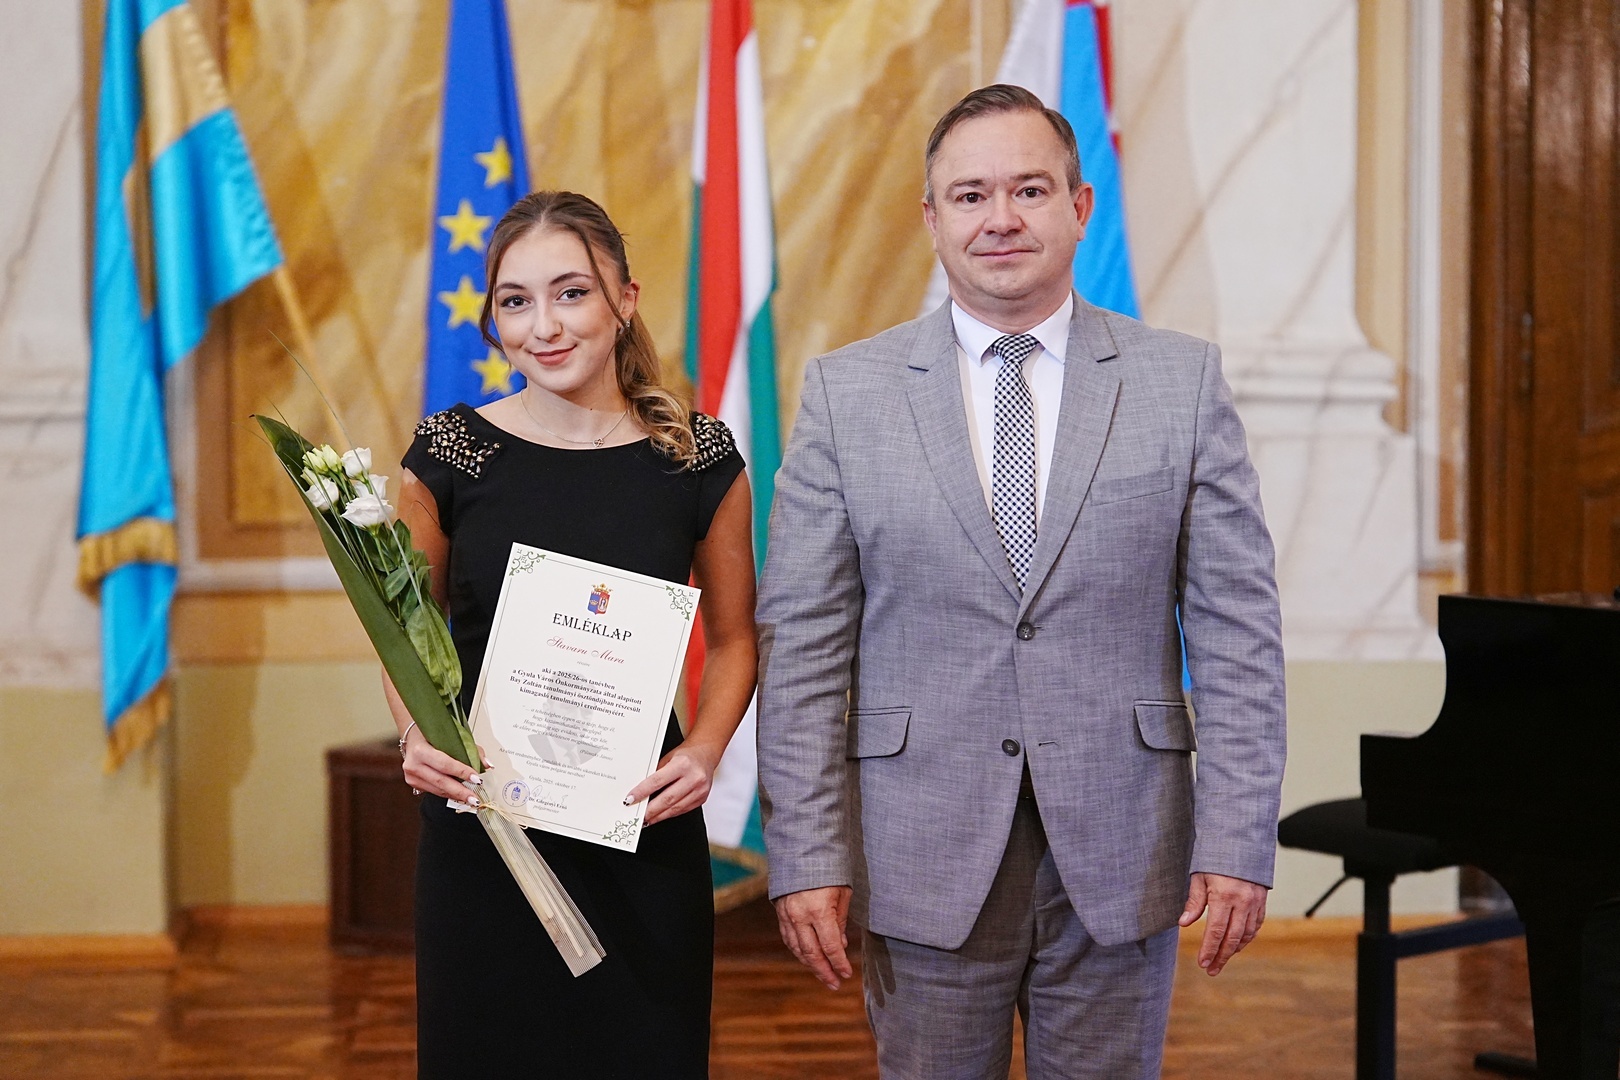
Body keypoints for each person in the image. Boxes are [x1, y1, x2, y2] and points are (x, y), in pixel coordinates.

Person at [755, 84, 1287, 1079]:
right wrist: (808, 853)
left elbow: (1238, 636)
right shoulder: (846, 394)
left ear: (1080, 207)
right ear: (932, 219)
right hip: (919, 847)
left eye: (1029, 190)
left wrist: (1238, 837)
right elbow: (802, 652)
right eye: (970, 195)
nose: (999, 218)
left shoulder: (1180, 382)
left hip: (1126, 847)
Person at [383, 191, 757, 1078]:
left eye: (571, 293)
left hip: (640, 828)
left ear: (625, 299)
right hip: (487, 832)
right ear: (493, 319)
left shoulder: (699, 457)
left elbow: (738, 639)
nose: (543, 326)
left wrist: (705, 750)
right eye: (515, 301)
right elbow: (402, 631)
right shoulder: (448, 454)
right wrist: (413, 735)